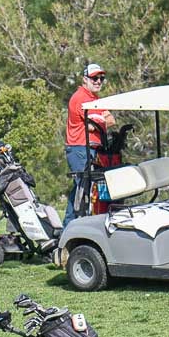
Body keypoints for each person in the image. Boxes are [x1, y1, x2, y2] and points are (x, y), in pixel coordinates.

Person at [64, 63, 115, 224]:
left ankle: (72, 224)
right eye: (94, 78)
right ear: (85, 79)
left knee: (84, 188)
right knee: (83, 189)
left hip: (91, 148)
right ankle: (73, 226)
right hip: (80, 148)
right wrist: (100, 123)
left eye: (101, 78)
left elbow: (111, 120)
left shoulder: (94, 99)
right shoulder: (81, 98)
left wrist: (99, 123)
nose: (98, 81)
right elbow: (94, 125)